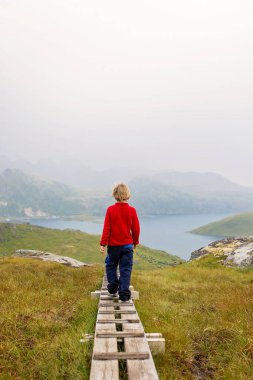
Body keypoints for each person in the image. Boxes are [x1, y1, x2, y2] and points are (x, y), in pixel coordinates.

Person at [100, 183, 140, 302]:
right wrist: (135, 242)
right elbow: (136, 229)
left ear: (115, 195)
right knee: (125, 269)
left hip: (113, 247)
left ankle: (112, 287)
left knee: (111, 265)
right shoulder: (132, 210)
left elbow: (106, 228)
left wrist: (103, 244)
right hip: (127, 246)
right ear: (127, 195)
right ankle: (124, 294)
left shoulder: (110, 210)